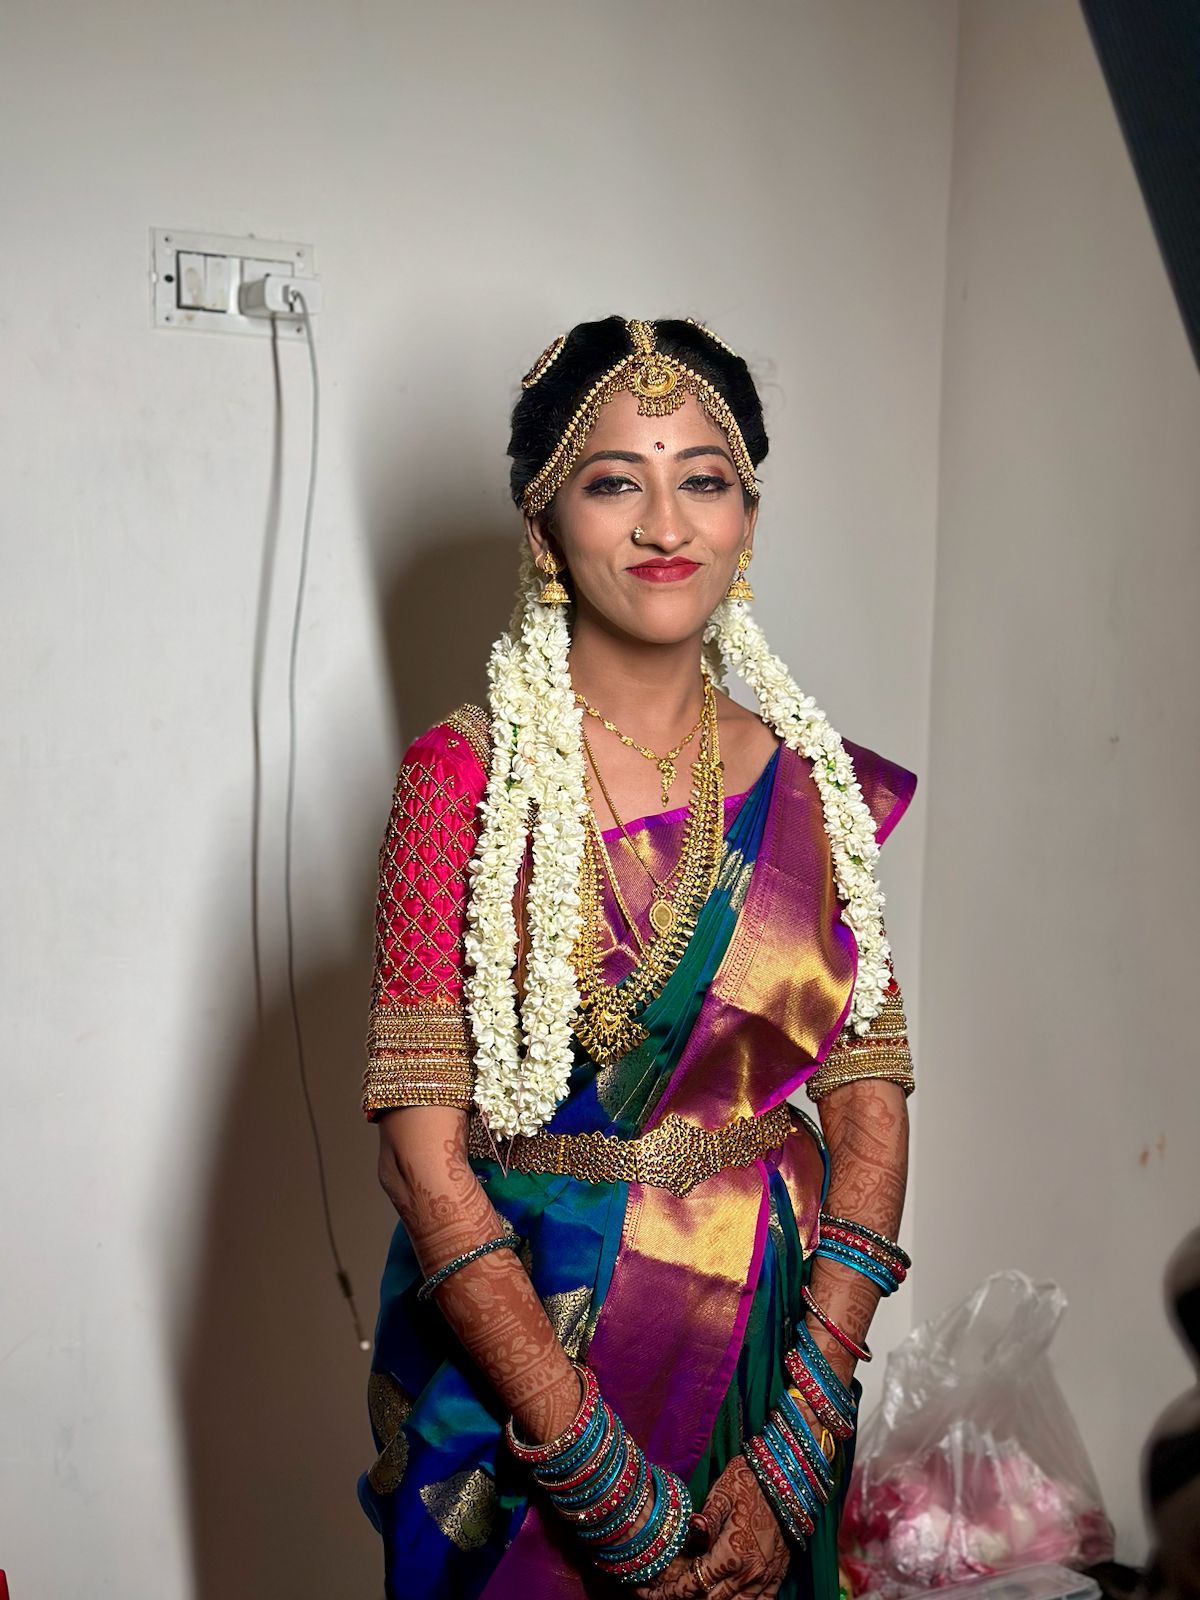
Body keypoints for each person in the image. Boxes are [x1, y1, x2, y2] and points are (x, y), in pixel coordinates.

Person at [358, 316, 916, 1600]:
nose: (667, 523)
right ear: (543, 525)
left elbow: (870, 1102)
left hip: (767, 1355)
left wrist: (804, 1429)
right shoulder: (463, 783)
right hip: (530, 1376)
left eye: (703, 480)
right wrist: (592, 1471)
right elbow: (421, 1158)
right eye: (616, 481)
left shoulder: (810, 785)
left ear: (747, 520)